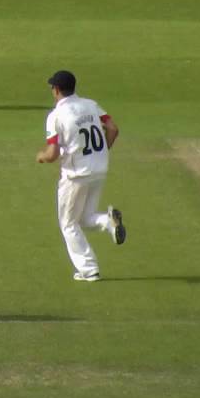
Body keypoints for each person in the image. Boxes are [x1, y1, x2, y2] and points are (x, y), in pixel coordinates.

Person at [35, 70, 126, 282]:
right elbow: (112, 128)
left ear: (56, 90)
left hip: (76, 176)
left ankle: (88, 269)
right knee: (84, 218)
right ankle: (107, 221)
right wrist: (102, 152)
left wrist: (40, 157)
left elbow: (52, 154)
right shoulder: (91, 105)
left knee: (68, 224)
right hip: (99, 169)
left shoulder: (56, 116)